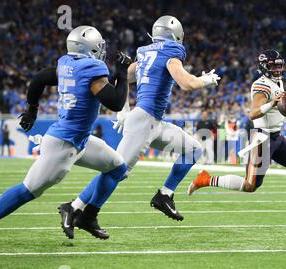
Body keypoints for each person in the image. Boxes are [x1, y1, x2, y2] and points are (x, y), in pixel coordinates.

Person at [68, 16, 220, 222]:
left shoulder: (146, 54)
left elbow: (121, 77)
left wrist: (124, 110)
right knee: (117, 171)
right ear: (176, 35)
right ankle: (74, 206)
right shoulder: (171, 53)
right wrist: (205, 80)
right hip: (144, 121)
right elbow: (187, 84)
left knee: (193, 149)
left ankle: (165, 195)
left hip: (151, 122)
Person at [0, 26, 129, 241]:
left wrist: (32, 109)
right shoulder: (92, 69)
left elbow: (39, 78)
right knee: (28, 190)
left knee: (117, 168)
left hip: (77, 139)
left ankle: (87, 217)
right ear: (90, 48)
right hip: (64, 144)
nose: (102, 49)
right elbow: (116, 102)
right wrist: (122, 72)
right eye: (99, 45)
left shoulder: (66, 63)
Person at [187, 50, 286, 224]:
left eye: (279, 65)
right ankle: (206, 180)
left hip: (277, 137)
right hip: (263, 139)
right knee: (250, 186)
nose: (278, 69)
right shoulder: (261, 86)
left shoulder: (277, 81)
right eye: (274, 66)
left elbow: (283, 112)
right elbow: (253, 113)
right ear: (264, 67)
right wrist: (272, 103)